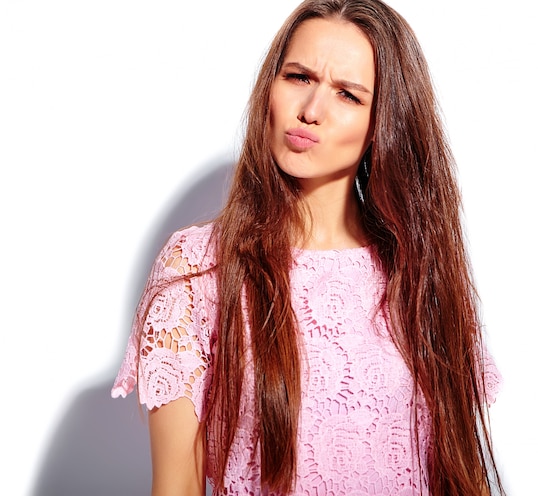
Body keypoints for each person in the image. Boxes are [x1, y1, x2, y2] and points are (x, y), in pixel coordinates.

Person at [112, 0, 505, 494]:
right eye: (298, 77)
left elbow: (461, 475)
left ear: (384, 122)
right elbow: (177, 488)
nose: (311, 112)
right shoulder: (200, 267)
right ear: (270, 88)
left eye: (347, 94)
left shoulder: (419, 271)